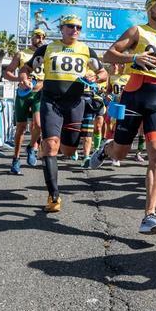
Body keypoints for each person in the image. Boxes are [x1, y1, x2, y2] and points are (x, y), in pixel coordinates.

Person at [92, 0, 156, 234]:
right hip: (135, 94)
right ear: (149, 9)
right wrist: (134, 58)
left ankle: (150, 216)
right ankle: (107, 148)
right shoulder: (137, 31)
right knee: (121, 152)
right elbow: (109, 55)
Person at [25, 16, 105, 212]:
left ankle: (63, 151)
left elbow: (103, 74)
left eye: (78, 27)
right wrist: (24, 79)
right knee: (50, 145)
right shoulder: (47, 49)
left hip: (75, 104)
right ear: (62, 29)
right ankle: (54, 196)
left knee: (69, 151)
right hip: (51, 102)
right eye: (71, 26)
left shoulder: (86, 50)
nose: (75, 29)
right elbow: (27, 68)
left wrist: (95, 76)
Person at [3, 29, 46, 173]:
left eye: (42, 37)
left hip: (39, 93)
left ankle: (31, 146)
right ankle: (15, 159)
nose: (40, 39)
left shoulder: (47, 54)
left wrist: (45, 83)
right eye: (37, 36)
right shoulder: (22, 54)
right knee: (21, 128)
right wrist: (19, 79)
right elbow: (7, 72)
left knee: (38, 124)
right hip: (23, 94)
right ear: (32, 38)